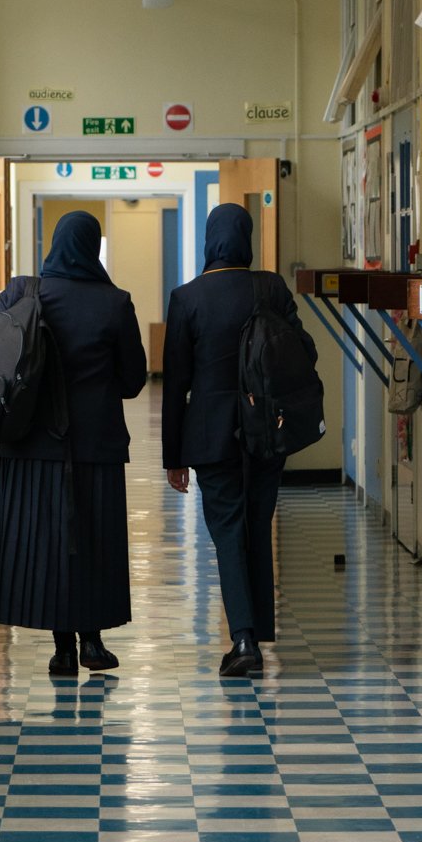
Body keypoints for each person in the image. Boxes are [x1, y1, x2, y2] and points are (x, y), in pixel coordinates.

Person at [0, 211, 148, 675]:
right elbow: (134, 380)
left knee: (46, 542)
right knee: (93, 541)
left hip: (30, 444)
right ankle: (93, 644)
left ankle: (61, 651)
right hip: (95, 446)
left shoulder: (23, 295)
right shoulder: (115, 303)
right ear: (93, 246)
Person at [162, 203, 318, 676]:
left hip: (210, 435)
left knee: (228, 532)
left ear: (210, 240)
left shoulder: (187, 298)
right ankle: (257, 633)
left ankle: (244, 639)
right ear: (246, 237)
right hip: (267, 430)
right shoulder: (269, 287)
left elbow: (175, 383)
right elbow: (304, 351)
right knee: (257, 525)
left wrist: (174, 456)